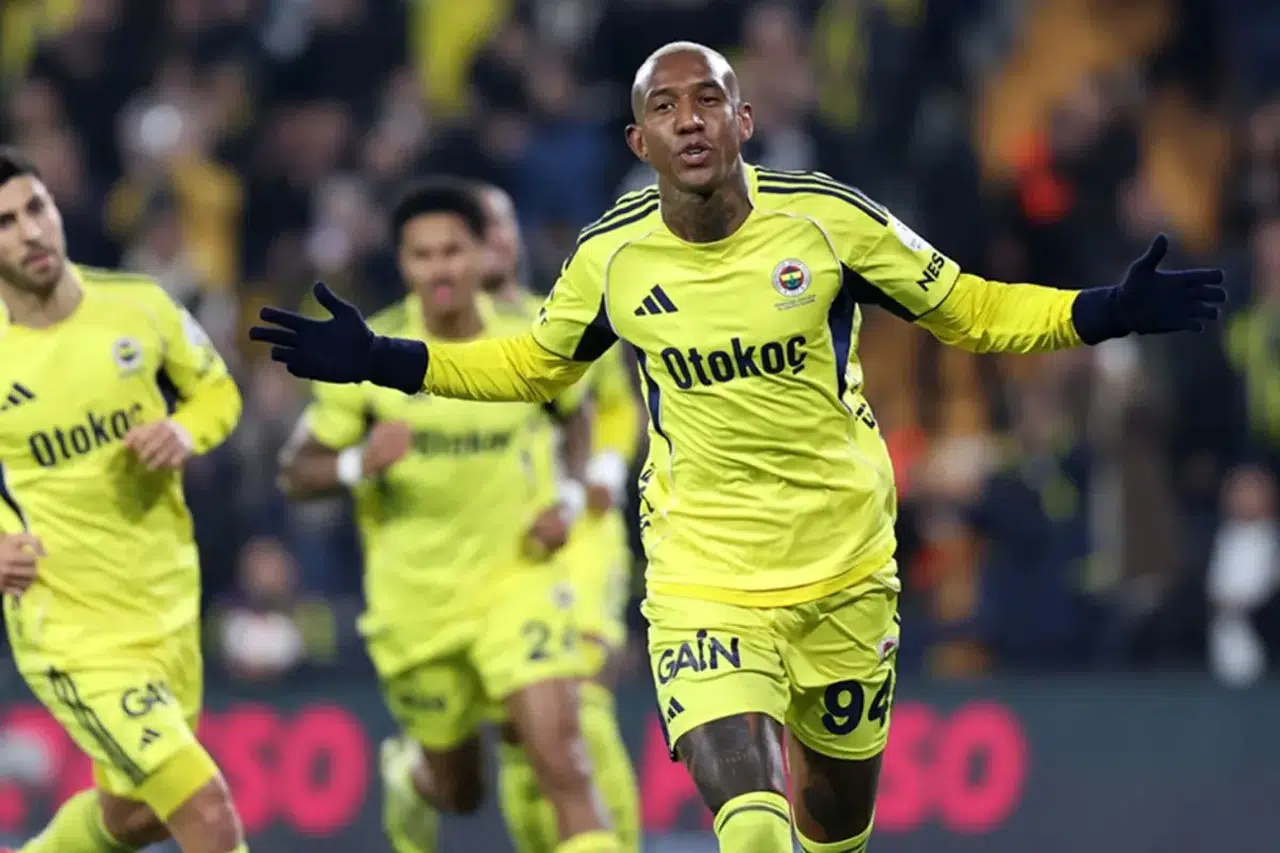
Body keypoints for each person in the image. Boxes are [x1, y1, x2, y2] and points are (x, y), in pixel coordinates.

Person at [251, 43, 1227, 853]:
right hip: (702, 580)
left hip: (844, 570)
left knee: (835, 824)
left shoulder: (828, 219)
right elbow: (533, 366)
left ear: (742, 121)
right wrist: (384, 358)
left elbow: (968, 309)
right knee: (754, 828)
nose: (689, 120)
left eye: (708, 99)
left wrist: (1105, 310)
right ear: (638, 141)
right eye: (664, 106)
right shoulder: (611, 256)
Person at [275, 178, 622, 853]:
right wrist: (358, 463)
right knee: (460, 792)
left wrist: (569, 497)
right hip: (419, 606)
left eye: (453, 251)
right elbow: (295, 472)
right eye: (423, 255)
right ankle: (411, 778)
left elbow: (578, 417)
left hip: (517, 582)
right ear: (403, 263)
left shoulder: (531, 338)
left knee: (563, 760)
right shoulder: (370, 353)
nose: (440, 269)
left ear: (484, 255)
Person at [0, 146, 246, 853]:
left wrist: (182, 430)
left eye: (37, 208)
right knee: (205, 810)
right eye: (5, 222)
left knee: (137, 813)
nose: (31, 231)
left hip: (168, 601)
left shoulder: (140, 304)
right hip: (72, 626)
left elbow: (217, 392)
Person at [475, 183, 643, 853]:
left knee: (581, 699)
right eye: (474, 227)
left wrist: (602, 471)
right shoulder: (427, 341)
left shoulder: (563, 316)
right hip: (497, 546)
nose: (491, 238)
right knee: (519, 730)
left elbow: (618, 405)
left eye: (499, 223)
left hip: (577, 535)